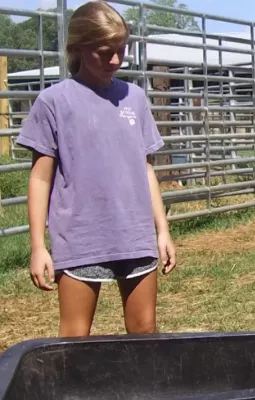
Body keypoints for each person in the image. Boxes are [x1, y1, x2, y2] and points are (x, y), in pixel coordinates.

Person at [17, 0, 176, 338]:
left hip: (135, 237)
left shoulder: (134, 98)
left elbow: (146, 169)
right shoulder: (54, 102)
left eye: (122, 49)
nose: (116, 60)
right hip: (80, 240)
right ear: (79, 47)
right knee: (75, 340)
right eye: (105, 51)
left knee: (145, 334)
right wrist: (38, 246)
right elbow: (40, 177)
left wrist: (161, 230)